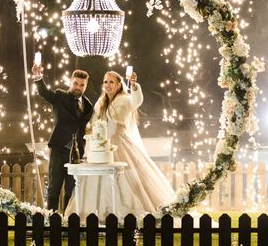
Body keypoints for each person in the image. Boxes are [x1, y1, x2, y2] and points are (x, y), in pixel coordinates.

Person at [65, 70, 176, 220]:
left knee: (124, 178)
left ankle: (124, 214)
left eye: (111, 82)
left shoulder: (125, 99)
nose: (108, 85)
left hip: (119, 144)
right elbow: (92, 121)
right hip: (100, 148)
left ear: (118, 85)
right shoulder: (101, 102)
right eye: (105, 81)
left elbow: (137, 101)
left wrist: (134, 86)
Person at [32, 64, 94, 212]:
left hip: (77, 154)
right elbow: (45, 93)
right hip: (59, 148)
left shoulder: (88, 105)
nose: (78, 87)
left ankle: (67, 221)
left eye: (82, 85)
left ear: (86, 86)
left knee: (72, 189)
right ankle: (51, 221)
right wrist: (38, 77)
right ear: (70, 82)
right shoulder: (60, 96)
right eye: (75, 83)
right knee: (54, 188)